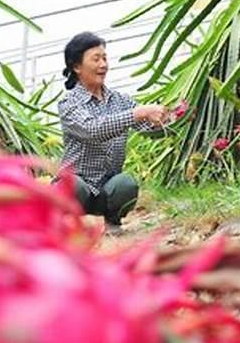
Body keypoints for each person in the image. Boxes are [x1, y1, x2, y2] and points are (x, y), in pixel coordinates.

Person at [56, 31, 169, 234]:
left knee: (125, 184)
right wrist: (138, 113)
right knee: (71, 185)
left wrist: (169, 117)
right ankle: (65, 224)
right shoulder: (69, 103)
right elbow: (93, 129)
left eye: (105, 58)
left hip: (107, 187)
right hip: (78, 187)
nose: (103, 64)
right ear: (76, 66)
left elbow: (147, 127)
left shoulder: (119, 100)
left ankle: (113, 220)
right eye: (96, 59)